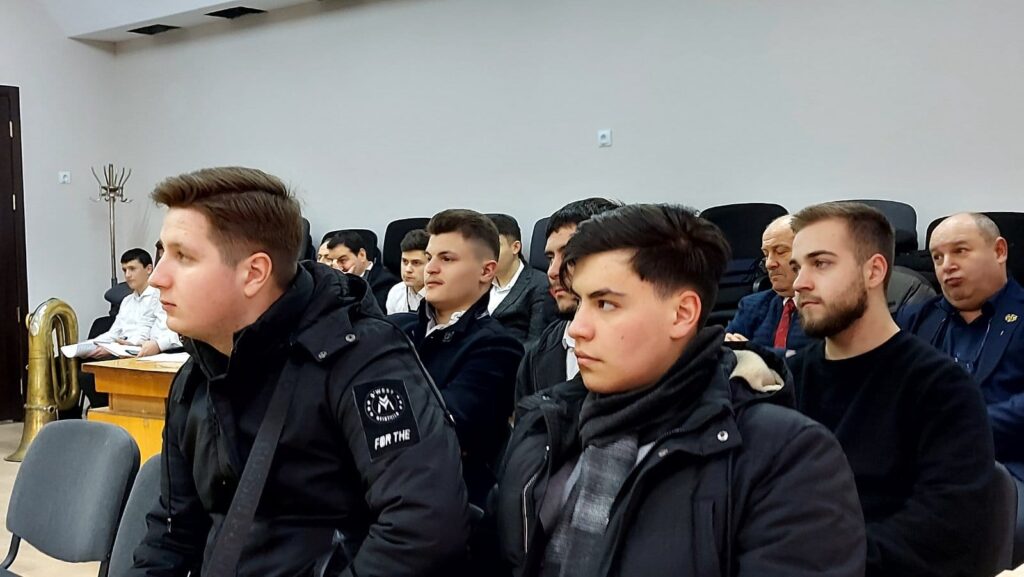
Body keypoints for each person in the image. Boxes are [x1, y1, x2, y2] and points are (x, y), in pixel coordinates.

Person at [130, 167, 469, 576]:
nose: (157, 278)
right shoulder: (197, 375)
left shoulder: (364, 360)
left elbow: (424, 527)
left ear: (254, 273)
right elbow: (172, 533)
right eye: (162, 253)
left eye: (183, 256)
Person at [494, 204, 865, 577]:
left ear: (683, 313)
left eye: (605, 304)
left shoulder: (786, 456)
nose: (577, 329)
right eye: (581, 302)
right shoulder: (547, 424)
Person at [787, 202, 997, 577]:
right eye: (797, 266)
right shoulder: (789, 379)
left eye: (820, 263)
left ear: (874, 271)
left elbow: (944, 530)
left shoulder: (940, 388)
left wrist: (821, 565)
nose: (799, 283)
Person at [391, 209, 524, 507]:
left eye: (447, 259)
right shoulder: (395, 329)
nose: (430, 268)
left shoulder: (498, 347)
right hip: (374, 489)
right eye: (429, 257)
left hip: (444, 501)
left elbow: (445, 430)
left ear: (486, 271)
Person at [898, 212, 1024, 481]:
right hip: (918, 465)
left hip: (1005, 466)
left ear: (999, 251)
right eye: (937, 257)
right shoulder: (916, 317)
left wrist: (959, 427)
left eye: (960, 251)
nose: (947, 266)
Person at [513, 198, 620, 404]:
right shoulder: (537, 356)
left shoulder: (645, 348)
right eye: (550, 258)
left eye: (570, 255)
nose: (552, 271)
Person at [725, 215, 812, 354]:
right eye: (766, 255)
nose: (769, 264)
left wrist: (751, 352)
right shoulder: (751, 305)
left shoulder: (827, 308)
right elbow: (724, 353)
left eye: (780, 252)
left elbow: (817, 360)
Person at [486, 214, 556, 347]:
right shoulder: (479, 283)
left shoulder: (539, 285)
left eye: (495, 246)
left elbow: (536, 343)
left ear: (515, 247)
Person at [324, 230, 398, 312]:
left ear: (362, 255)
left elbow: (369, 315)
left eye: (342, 260)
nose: (337, 267)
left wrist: (349, 284)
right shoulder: (330, 282)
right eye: (332, 260)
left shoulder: (385, 282)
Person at [385, 229, 428, 314]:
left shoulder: (443, 296)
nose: (408, 269)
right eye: (405, 261)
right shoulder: (396, 292)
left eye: (416, 263)